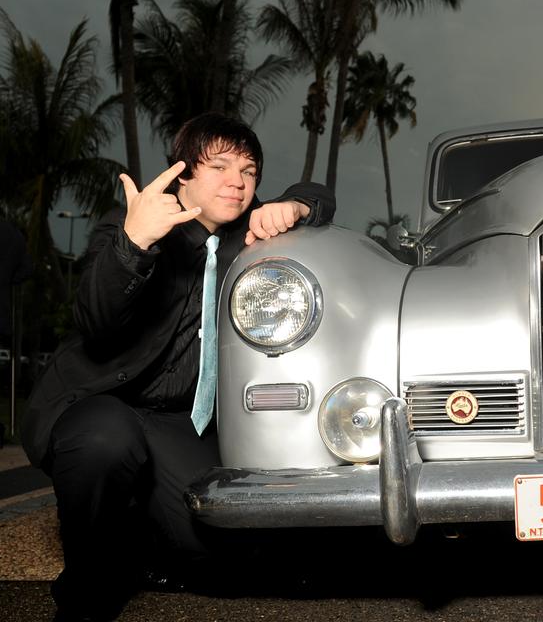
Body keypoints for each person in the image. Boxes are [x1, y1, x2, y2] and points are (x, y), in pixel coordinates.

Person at [22, 112, 335, 621]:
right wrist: (135, 243)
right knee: (106, 439)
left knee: (232, 559)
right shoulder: (129, 224)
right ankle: (87, 592)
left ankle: (139, 548)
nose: (238, 180)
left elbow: (320, 196)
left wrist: (295, 204)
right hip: (100, 404)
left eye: (250, 170)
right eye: (221, 166)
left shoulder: (253, 239)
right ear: (183, 173)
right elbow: (94, 322)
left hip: (176, 422)